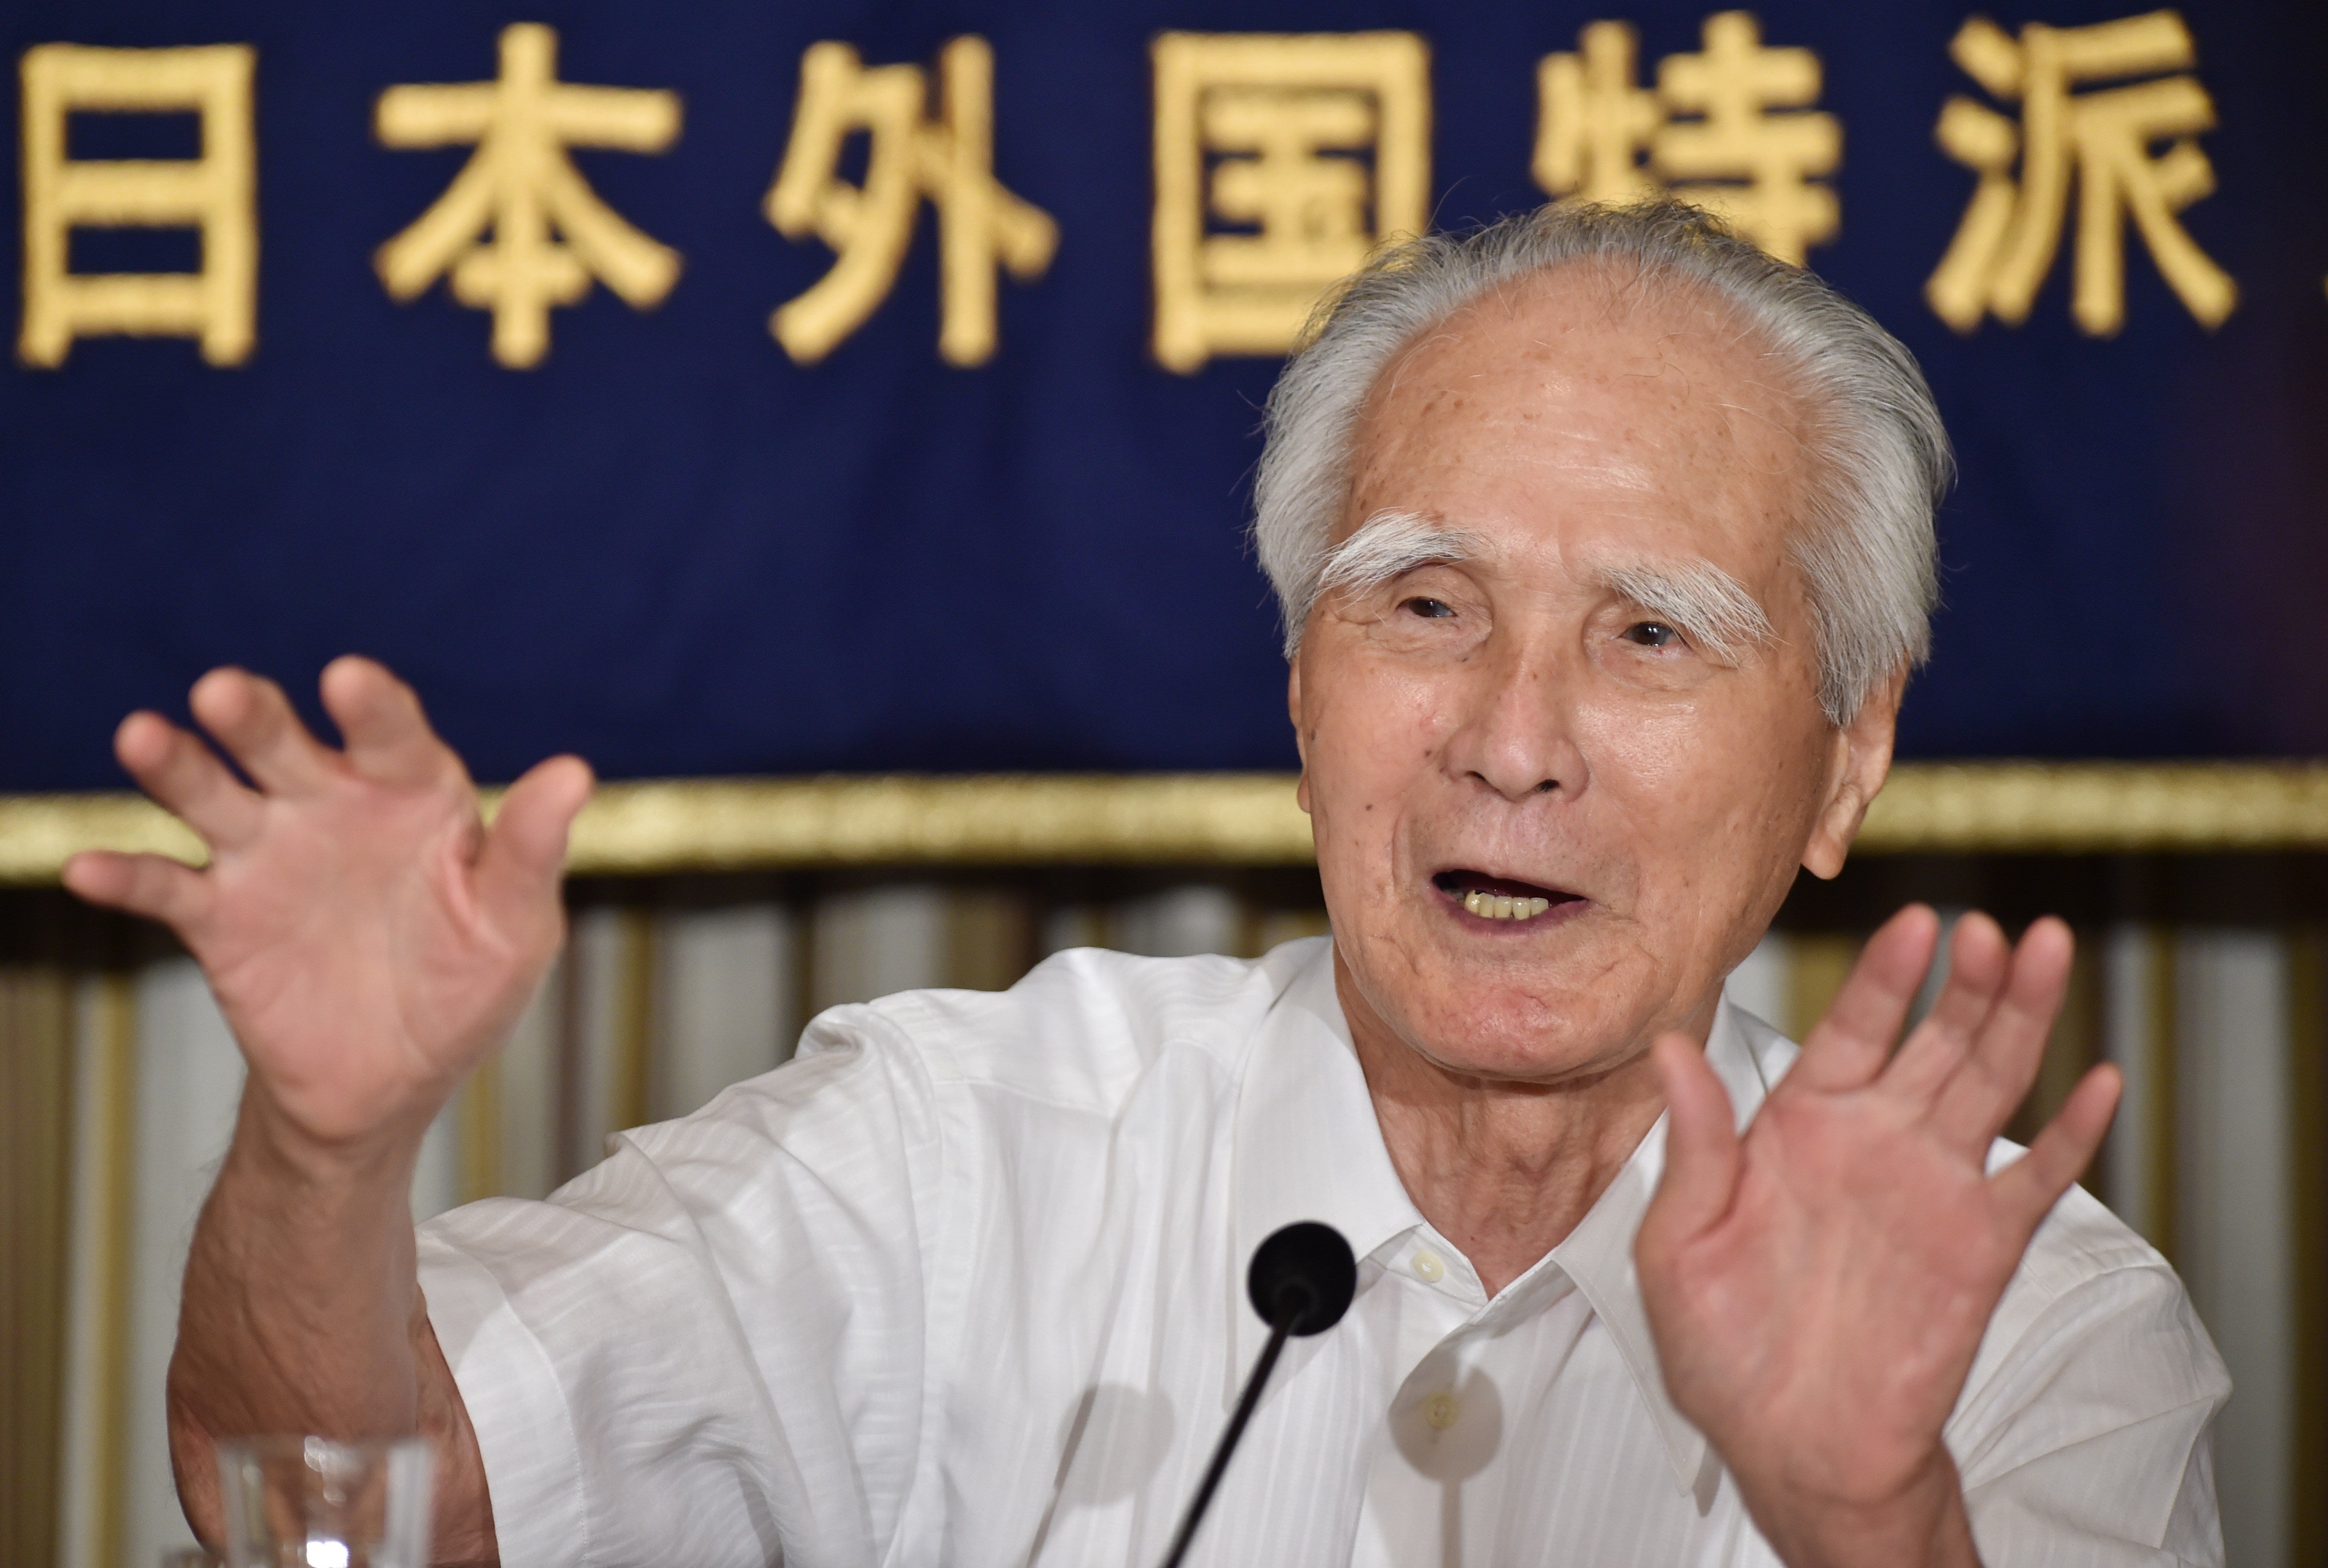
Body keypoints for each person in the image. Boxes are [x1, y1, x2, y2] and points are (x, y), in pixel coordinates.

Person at [68, 202, 2226, 1567]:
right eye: (1424, 607)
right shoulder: (956, 1153)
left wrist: (1865, 1517)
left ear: (1846, 754)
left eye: (1649, 634)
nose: (1514, 737)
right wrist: (325, 1151)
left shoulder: (2031, 1323)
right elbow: (344, 1521)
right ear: (1298, 684)